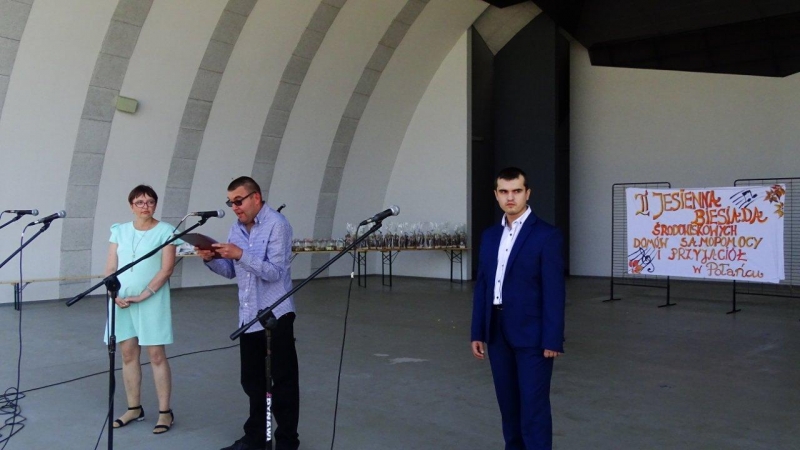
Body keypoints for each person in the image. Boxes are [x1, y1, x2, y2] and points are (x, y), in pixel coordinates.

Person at [197, 176, 300, 450]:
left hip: (276, 315)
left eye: (238, 201)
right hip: (248, 317)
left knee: (283, 382)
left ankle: (287, 441)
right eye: (230, 203)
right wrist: (212, 259)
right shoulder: (236, 228)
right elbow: (232, 271)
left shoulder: (278, 225)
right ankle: (256, 438)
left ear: (256, 197)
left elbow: (275, 272)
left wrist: (240, 254)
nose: (235, 207)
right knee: (252, 382)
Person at [470, 167, 566, 450]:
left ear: (527, 193)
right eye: (504, 191)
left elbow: (554, 291)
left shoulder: (547, 235)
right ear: (496, 195)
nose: (510, 197)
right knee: (508, 408)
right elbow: (483, 286)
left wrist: (552, 338)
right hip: (497, 332)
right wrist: (478, 331)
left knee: (533, 408)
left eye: (516, 191)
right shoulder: (490, 236)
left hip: (533, 336)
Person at [104, 185, 181, 434]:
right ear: (131, 206)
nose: (145, 206)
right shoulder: (119, 230)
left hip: (151, 299)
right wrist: (113, 293)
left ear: (155, 205)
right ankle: (134, 408)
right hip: (121, 300)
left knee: (156, 355)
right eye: (139, 202)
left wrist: (144, 294)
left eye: (150, 202)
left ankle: (165, 412)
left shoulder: (166, 231)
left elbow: (166, 269)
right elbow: (110, 268)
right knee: (128, 354)